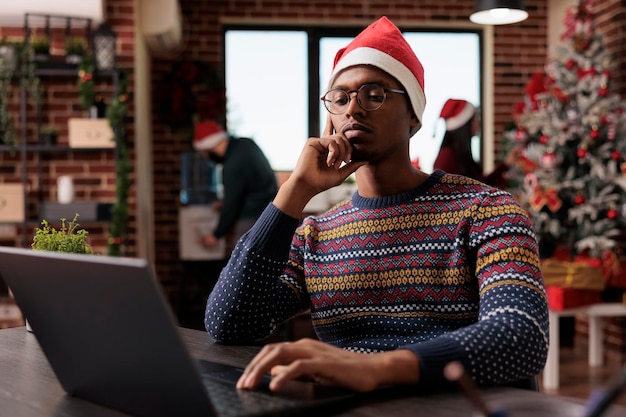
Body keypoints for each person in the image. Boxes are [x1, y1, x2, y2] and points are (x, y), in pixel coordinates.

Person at [205, 16, 548, 394]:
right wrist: (294, 193)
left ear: (414, 116)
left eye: (373, 94)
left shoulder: (488, 210)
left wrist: (377, 368)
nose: (352, 109)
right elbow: (228, 324)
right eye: (339, 97)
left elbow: (522, 334)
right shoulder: (316, 235)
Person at [192, 120, 278, 253]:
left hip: (253, 219)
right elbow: (249, 187)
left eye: (204, 154)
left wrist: (215, 235)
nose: (207, 159)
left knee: (239, 265)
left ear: (208, 147)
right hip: (272, 212)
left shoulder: (232, 164)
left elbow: (232, 205)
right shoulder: (246, 144)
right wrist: (223, 203)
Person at [433, 98, 523, 189]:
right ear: (466, 125)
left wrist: (506, 164)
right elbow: (477, 189)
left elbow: (478, 185)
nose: (478, 123)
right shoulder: (447, 158)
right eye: (476, 118)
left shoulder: (456, 155)